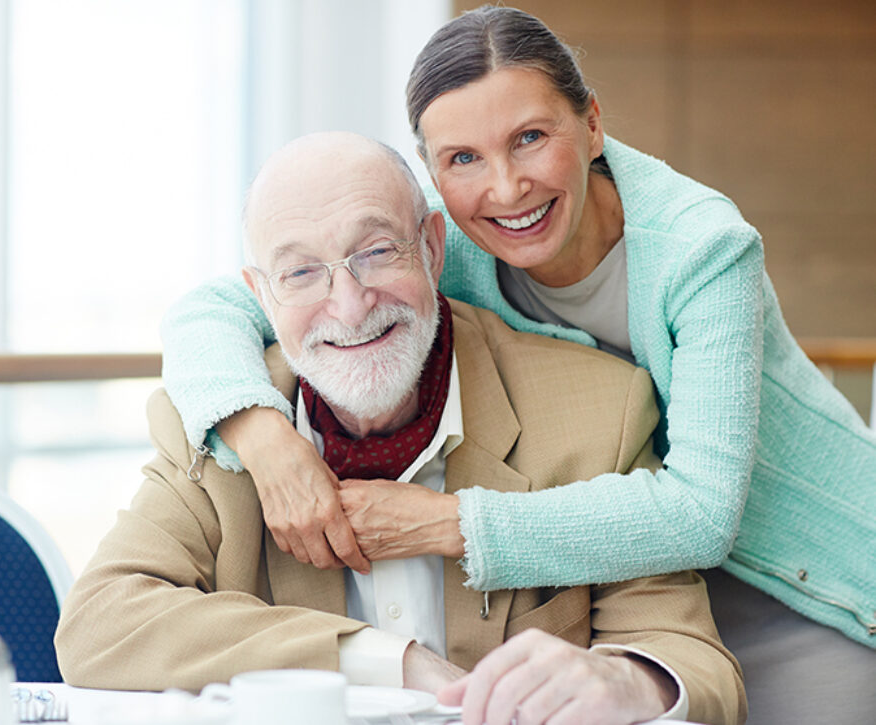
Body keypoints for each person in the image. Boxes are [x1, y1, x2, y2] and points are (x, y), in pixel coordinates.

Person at [161, 0, 875, 674]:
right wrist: (264, 440)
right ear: (433, 172)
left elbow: (701, 514)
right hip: (648, 586)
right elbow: (212, 308)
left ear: (591, 124)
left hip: (815, 580)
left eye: (530, 138)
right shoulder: (439, 240)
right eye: (463, 158)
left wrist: (446, 524)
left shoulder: (704, 250)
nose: (505, 189)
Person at [56, 132, 744, 725]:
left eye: (378, 251)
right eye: (302, 272)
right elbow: (100, 625)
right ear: (261, 294)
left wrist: (629, 678)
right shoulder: (217, 426)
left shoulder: (600, 407)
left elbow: (695, 664)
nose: (350, 306)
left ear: (433, 249)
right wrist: (385, 663)